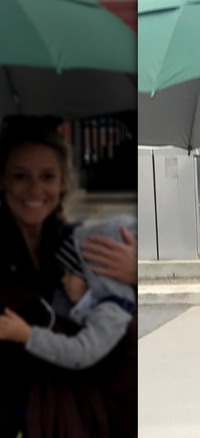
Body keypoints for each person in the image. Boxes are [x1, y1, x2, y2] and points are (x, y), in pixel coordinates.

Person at [0, 116, 138, 436]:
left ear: (63, 181)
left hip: (81, 407)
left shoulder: (82, 245)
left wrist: (133, 274)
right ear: (3, 179)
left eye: (47, 176)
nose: (35, 189)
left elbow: (117, 321)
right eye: (21, 176)